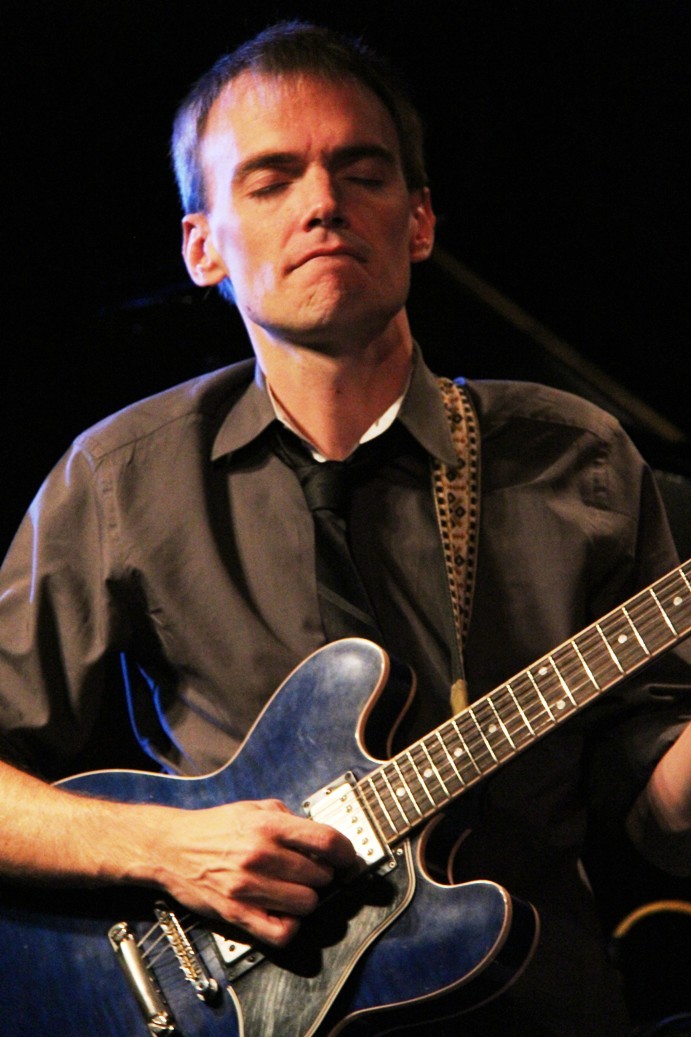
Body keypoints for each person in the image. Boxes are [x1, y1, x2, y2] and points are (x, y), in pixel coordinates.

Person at [0, 19, 689, 1036]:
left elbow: (662, 818)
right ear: (202, 248)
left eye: (362, 172)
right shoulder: (120, 478)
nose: (323, 202)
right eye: (271, 180)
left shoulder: (576, 459)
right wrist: (164, 848)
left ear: (419, 222)